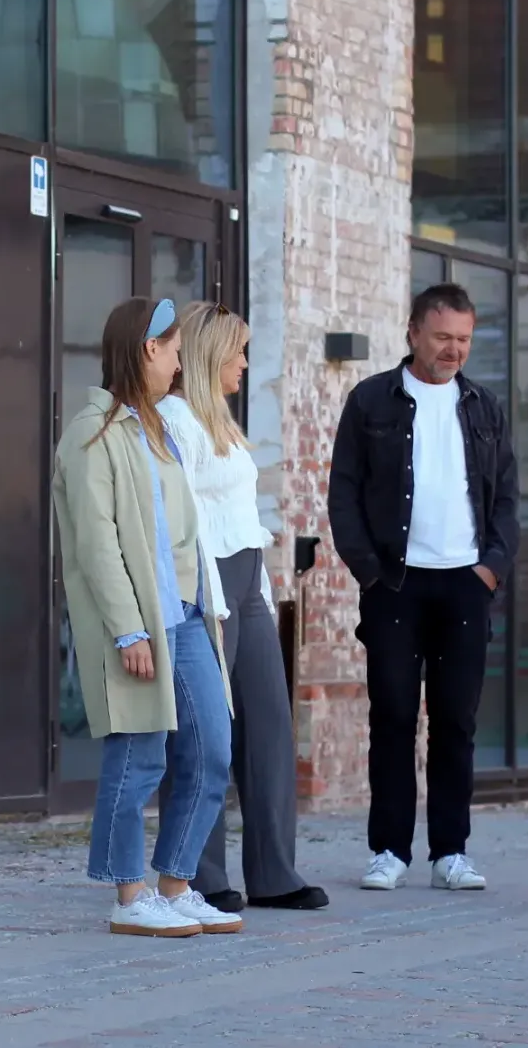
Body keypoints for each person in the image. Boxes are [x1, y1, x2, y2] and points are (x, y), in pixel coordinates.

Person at [52, 296, 241, 937]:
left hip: (185, 617)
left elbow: (183, 532)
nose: (182, 364)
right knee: (139, 756)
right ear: (147, 350)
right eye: (175, 351)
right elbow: (96, 540)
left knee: (212, 749)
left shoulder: (158, 430)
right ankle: (129, 897)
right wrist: (129, 627)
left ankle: (175, 885)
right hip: (140, 624)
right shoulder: (92, 432)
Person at [328, 282, 519, 892]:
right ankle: (389, 849)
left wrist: (490, 567)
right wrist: (370, 573)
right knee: (392, 716)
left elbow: (509, 500)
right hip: (396, 584)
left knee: (456, 721)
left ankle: (450, 852)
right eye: (442, 337)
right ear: (413, 332)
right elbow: (344, 495)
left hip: (466, 583)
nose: (453, 350)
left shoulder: (485, 408)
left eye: (463, 339)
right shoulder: (370, 402)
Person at [156, 300, 328, 914]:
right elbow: (182, 518)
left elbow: (237, 514)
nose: (246, 362)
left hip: (248, 582)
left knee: (269, 729)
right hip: (207, 586)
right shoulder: (176, 419)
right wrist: (210, 598)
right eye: (238, 351)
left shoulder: (221, 421)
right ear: (209, 355)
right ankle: (197, 874)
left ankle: (275, 873)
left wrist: (257, 590)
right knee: (204, 734)